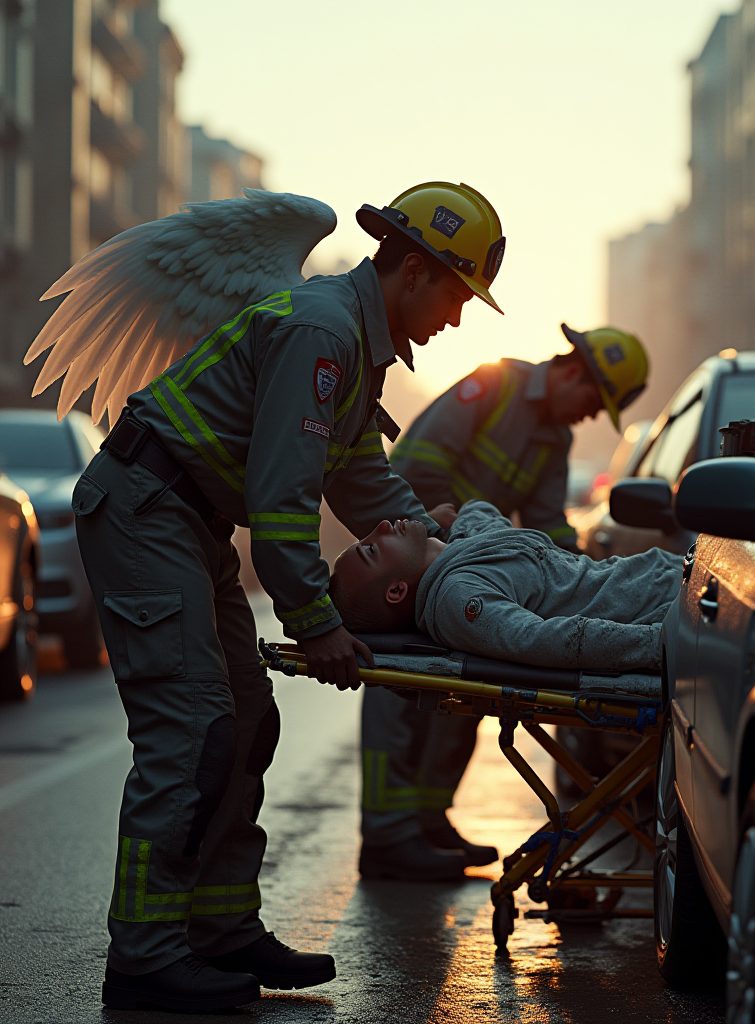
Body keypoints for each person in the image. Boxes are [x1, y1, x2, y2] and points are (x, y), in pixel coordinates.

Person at [48, 183, 505, 1013]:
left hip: (182, 521)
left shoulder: (354, 346)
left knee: (248, 721)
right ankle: (146, 957)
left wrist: (434, 540)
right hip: (148, 511)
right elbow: (283, 500)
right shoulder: (322, 332)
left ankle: (223, 930)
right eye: (456, 295)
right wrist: (319, 623)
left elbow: (361, 477)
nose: (458, 319)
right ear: (411, 271)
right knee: (193, 735)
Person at [358, 327, 649, 880]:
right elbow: (416, 465)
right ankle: (387, 836)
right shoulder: (493, 387)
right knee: (397, 697)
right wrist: (444, 538)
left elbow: (546, 525)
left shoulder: (553, 439)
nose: (589, 416)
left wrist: (579, 574)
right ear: (574, 372)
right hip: (418, 564)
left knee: (464, 696)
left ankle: (428, 817)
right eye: (592, 401)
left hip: (467, 573)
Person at [331, 502, 682, 676]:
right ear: (395, 592)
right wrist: (661, 644)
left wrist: (441, 528)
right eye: (371, 550)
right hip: (671, 609)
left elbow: (480, 511)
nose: (379, 527)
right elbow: (540, 639)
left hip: (672, 575)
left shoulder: (462, 553)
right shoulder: (458, 596)